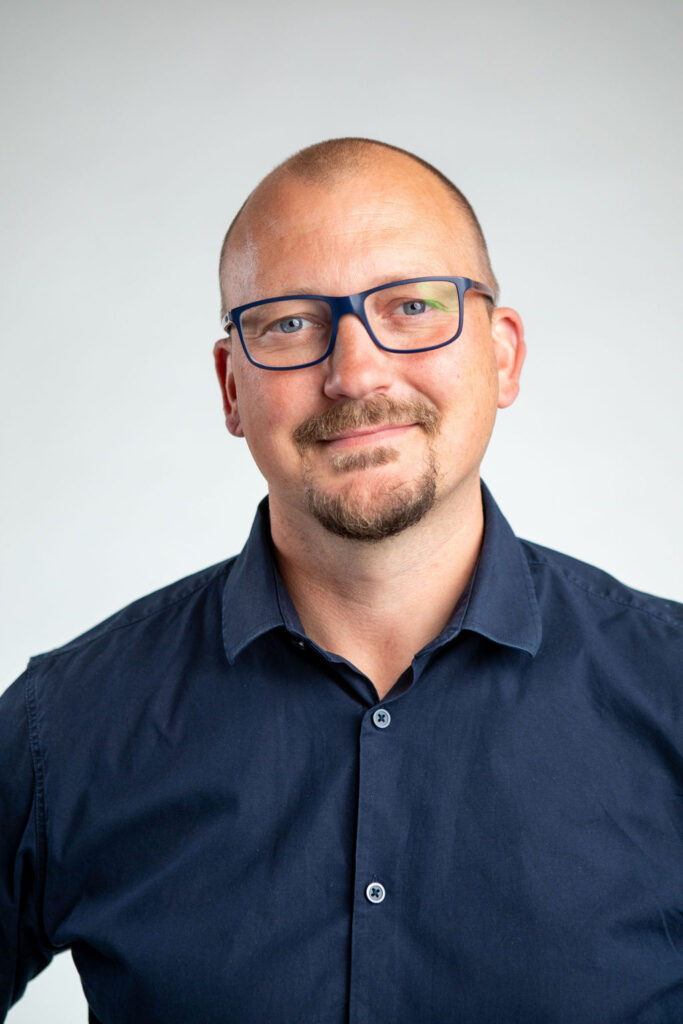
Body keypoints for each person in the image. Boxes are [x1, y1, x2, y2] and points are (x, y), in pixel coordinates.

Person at [1, 137, 681, 1024]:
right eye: (289, 323)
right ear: (231, 387)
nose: (355, 373)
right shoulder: (64, 726)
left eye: (411, 306)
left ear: (503, 356)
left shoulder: (668, 691)